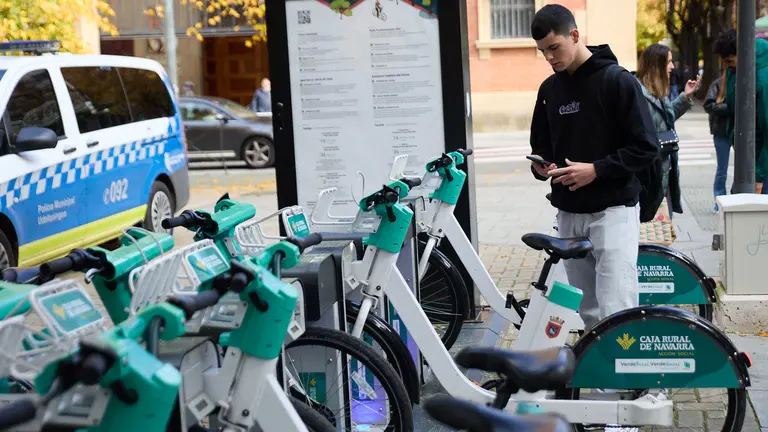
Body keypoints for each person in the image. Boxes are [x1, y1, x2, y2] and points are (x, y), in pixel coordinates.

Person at [527, 5, 659, 332]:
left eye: (554, 48)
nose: (550, 58)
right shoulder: (549, 90)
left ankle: (635, 383)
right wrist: (542, 168)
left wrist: (596, 170)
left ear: (575, 35)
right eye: (543, 52)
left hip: (613, 210)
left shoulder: (617, 81)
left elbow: (646, 147)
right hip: (569, 214)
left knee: (618, 308)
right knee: (589, 313)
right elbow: (540, 148)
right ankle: (603, 382)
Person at [635, 43, 700, 219]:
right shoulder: (639, 95)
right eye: (669, 62)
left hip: (664, 174)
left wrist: (685, 97)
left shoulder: (659, 92)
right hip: (651, 180)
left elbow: (665, 119)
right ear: (656, 65)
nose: (672, 67)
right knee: (651, 237)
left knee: (661, 235)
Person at [715, 29, 768, 194]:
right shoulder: (735, 70)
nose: (727, 66)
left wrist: (759, 176)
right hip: (748, 157)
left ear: (744, 55)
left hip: (761, 162)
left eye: (730, 61)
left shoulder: (762, 79)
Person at [703, 69, 731, 209]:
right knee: (722, 169)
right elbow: (708, 105)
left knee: (746, 168)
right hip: (721, 131)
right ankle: (719, 201)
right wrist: (729, 108)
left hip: (740, 131)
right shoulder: (718, 84)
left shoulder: (744, 81)